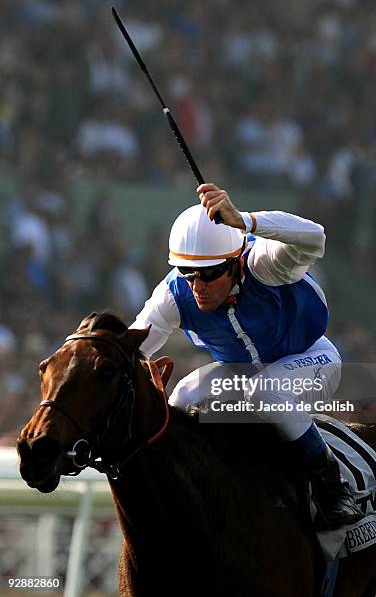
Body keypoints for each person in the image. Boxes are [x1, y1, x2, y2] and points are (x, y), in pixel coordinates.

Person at [131, 183, 363, 529]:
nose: (198, 285)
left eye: (209, 273)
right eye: (187, 272)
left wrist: (245, 221)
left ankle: (331, 483)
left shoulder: (265, 265)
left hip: (313, 361)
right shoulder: (173, 293)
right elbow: (129, 349)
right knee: (182, 397)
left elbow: (315, 236)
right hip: (241, 372)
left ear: (235, 263)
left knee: (267, 390)